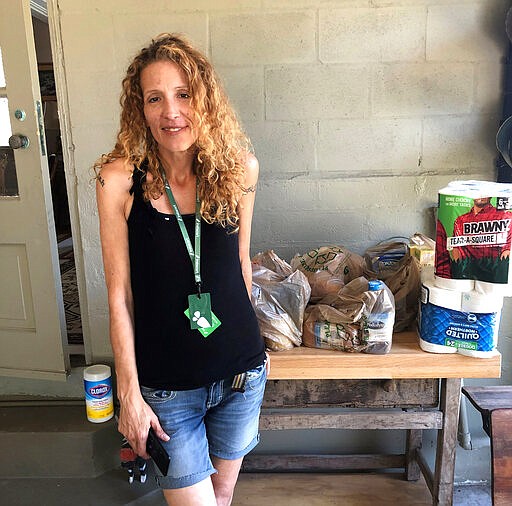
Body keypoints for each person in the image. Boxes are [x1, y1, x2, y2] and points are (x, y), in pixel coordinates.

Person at [95, 33, 268, 506]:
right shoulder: (118, 182)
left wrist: (254, 351)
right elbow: (119, 296)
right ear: (141, 109)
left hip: (239, 375)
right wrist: (127, 394)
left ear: (204, 99)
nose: (171, 111)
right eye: (156, 98)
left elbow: (240, 265)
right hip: (167, 389)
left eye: (183, 94)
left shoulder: (240, 171)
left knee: (224, 494)